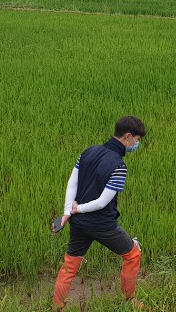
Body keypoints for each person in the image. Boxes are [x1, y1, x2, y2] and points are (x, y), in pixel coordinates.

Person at [53, 116, 146, 310]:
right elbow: (102, 202)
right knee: (133, 255)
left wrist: (69, 211)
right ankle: (130, 302)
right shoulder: (119, 166)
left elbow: (72, 182)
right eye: (137, 140)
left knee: (70, 266)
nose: (137, 144)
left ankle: (56, 307)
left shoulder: (88, 152)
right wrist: (78, 208)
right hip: (103, 225)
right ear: (128, 137)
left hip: (78, 223)